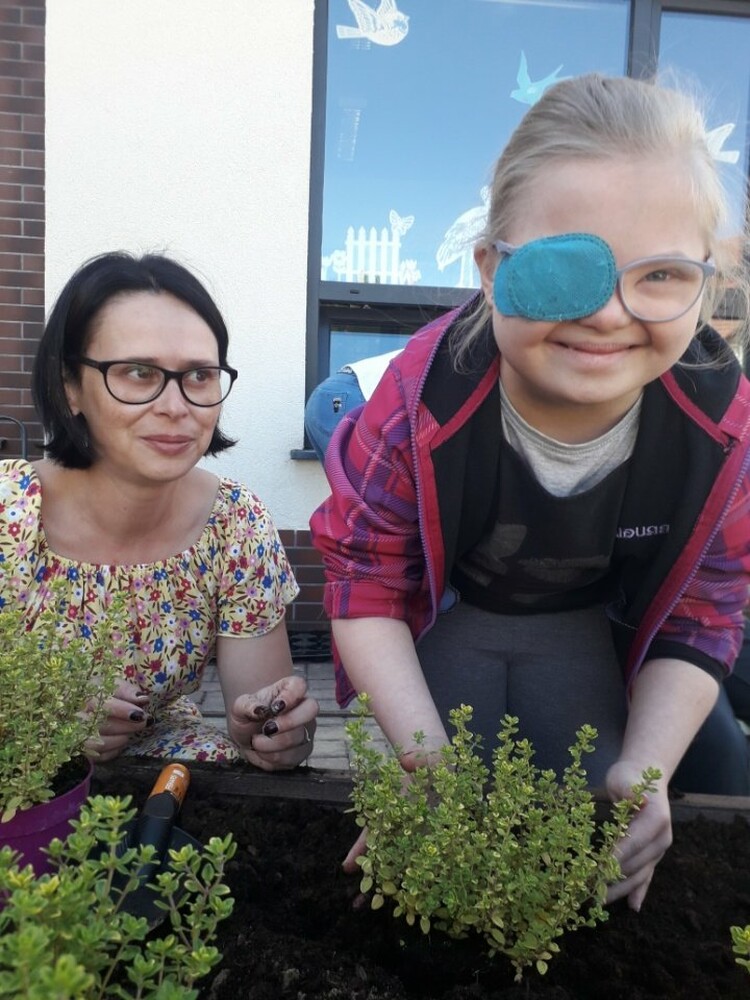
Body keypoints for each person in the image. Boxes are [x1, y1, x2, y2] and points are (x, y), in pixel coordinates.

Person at [310, 73, 750, 911]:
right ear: (489, 269)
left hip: (589, 622)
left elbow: (706, 609)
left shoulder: (722, 429)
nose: (610, 314)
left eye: (661, 275)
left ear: (704, 282)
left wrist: (645, 771)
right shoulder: (417, 399)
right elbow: (366, 579)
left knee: (602, 820)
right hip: (449, 614)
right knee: (441, 812)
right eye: (563, 270)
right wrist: (420, 759)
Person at [0, 251, 318, 769]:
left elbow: (262, 712)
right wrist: (41, 723)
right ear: (70, 386)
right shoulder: (8, 513)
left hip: (162, 763)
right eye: (138, 372)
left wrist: (275, 734)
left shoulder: (235, 523)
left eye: (199, 375)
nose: (176, 406)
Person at [304, 349, 402, 462]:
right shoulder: (419, 354)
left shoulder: (413, 349)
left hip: (321, 394)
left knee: (338, 472)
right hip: (351, 394)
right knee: (359, 471)